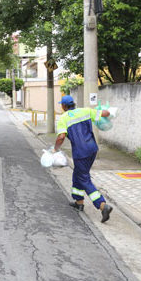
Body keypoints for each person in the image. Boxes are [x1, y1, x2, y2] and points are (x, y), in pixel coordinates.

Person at [53, 95, 114, 223]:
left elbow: (61, 137)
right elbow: (106, 113)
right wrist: (108, 111)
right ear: (73, 104)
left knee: (83, 178)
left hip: (80, 153)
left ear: (64, 106)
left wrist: (56, 149)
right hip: (92, 149)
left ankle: (102, 206)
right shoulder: (86, 111)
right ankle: (78, 202)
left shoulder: (63, 118)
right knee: (78, 174)